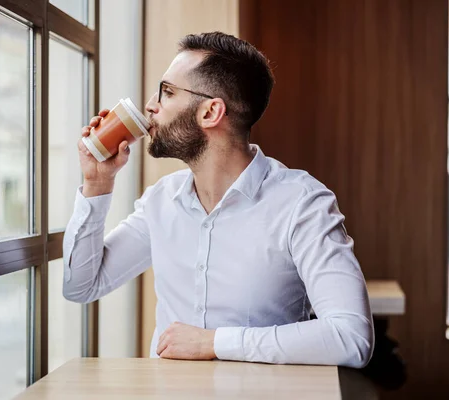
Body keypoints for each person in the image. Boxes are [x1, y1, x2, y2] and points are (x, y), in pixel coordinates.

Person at [62, 32, 374, 367]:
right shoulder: (161, 201)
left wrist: (214, 342)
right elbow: (81, 286)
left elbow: (351, 337)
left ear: (211, 112)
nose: (151, 105)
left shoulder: (301, 203)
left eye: (167, 92)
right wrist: (97, 182)